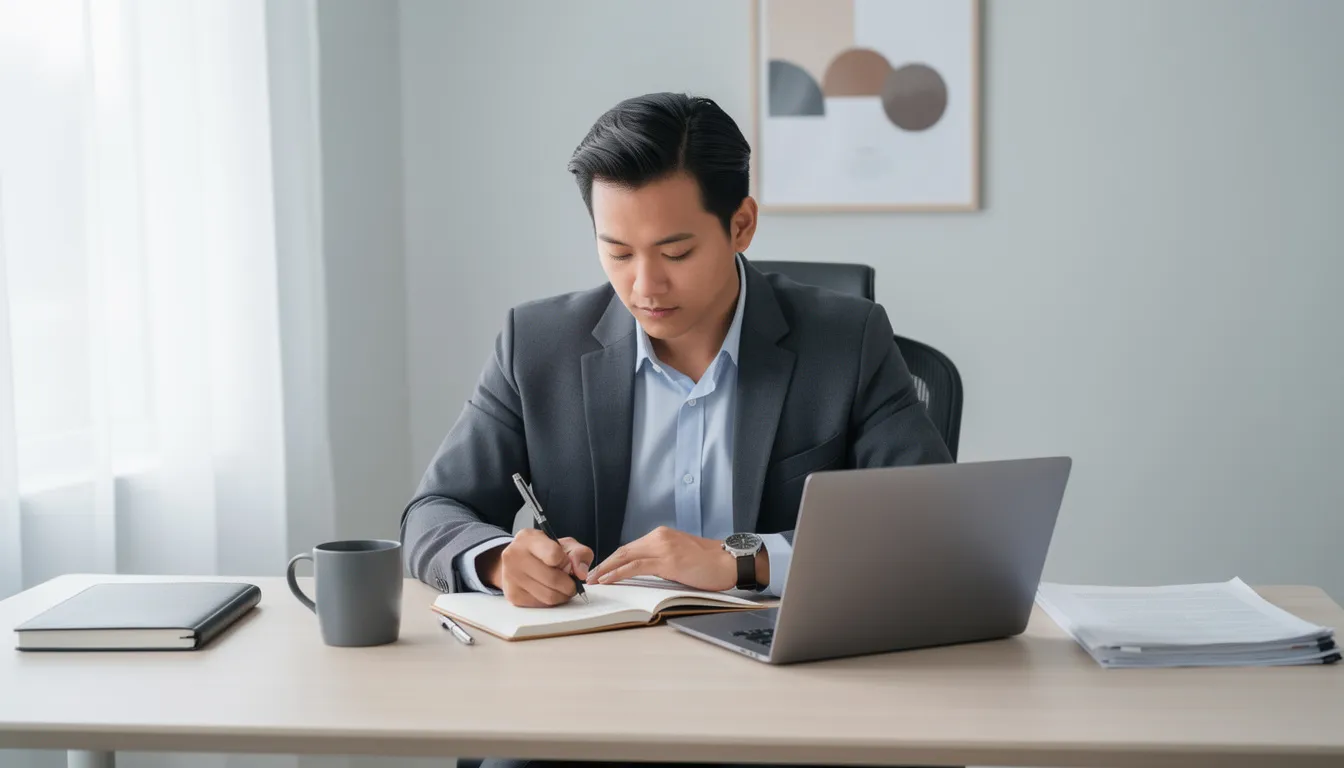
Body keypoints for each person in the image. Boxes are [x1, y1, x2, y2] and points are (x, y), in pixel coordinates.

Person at [400, 92, 952, 768]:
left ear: (742, 224)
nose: (644, 286)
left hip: (791, 693)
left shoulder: (849, 341)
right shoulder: (537, 344)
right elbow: (434, 512)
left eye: (676, 251)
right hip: (586, 696)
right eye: (618, 252)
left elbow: (930, 535)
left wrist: (740, 562)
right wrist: (496, 561)